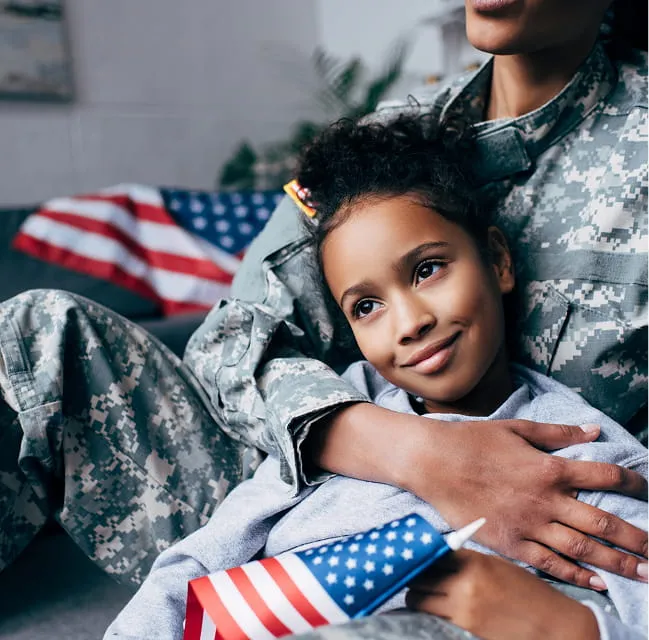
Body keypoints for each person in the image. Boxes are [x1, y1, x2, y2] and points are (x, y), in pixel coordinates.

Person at [0, 0, 645, 608]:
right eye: (366, 306)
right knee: (36, 334)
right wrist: (414, 452)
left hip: (530, 561)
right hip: (292, 510)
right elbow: (228, 343)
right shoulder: (376, 149)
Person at [105, 114, 648, 640]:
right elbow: (200, 560)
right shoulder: (340, 414)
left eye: (427, 269)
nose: (410, 324)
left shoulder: (582, 454)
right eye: (366, 306)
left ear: (499, 261)